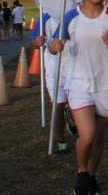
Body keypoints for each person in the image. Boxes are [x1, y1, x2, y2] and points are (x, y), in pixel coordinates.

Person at [48, 0, 108, 195]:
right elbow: (54, 44)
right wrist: (53, 46)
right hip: (78, 82)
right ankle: (82, 174)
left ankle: (92, 175)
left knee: (99, 137)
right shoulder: (71, 16)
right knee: (87, 134)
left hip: (105, 83)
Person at [30, 11, 71, 154]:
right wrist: (37, 42)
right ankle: (61, 141)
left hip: (75, 69)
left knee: (76, 106)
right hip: (54, 70)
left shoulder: (75, 14)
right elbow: (34, 43)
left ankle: (70, 113)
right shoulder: (45, 16)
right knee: (57, 107)